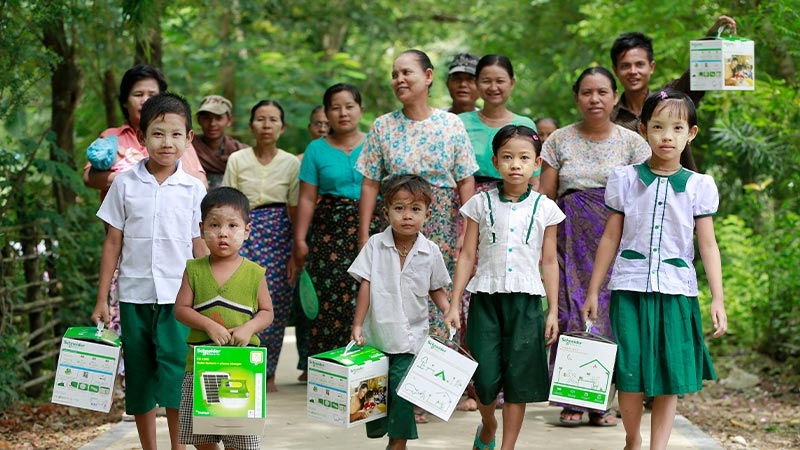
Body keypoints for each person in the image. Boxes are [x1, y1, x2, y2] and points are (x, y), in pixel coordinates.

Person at [582, 89, 728, 450]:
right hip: (629, 289)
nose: (667, 136)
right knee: (630, 375)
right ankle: (633, 439)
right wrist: (592, 291)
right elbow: (610, 238)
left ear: (691, 133)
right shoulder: (626, 179)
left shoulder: (699, 186)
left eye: (677, 128)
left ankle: (657, 448)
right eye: (658, 127)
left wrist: (718, 299)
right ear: (643, 130)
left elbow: (708, 245)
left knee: (670, 377)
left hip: (677, 290)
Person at [356, 49, 476, 423]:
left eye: (406, 72)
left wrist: (467, 229)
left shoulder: (451, 125)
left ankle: (430, 392)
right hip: (396, 221)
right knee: (391, 305)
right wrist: (364, 233)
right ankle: (392, 390)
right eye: (394, 74)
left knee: (441, 307)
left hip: (439, 222)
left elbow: (466, 179)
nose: (399, 80)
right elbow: (371, 182)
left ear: (427, 76)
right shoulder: (382, 126)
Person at [91, 92, 208, 450]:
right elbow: (113, 241)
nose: (166, 142)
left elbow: (199, 245)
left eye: (176, 134)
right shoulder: (124, 184)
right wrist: (101, 300)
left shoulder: (194, 189)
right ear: (142, 138)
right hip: (133, 295)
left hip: (179, 298)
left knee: (175, 373)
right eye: (157, 134)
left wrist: (211, 294)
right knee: (140, 375)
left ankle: (178, 446)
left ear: (189, 139)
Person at [539, 67, 650, 427]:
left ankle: (604, 402)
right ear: (577, 98)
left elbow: (644, 197)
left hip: (618, 240)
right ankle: (572, 399)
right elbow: (547, 199)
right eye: (587, 92)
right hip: (570, 241)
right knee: (573, 312)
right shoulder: (558, 140)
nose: (595, 99)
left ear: (615, 97)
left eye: (603, 92)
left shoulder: (633, 143)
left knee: (610, 315)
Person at [445, 125, 563, 450]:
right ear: (495, 161)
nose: (516, 164)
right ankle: (488, 423)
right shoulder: (479, 204)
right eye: (508, 157)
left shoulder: (545, 208)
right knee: (483, 379)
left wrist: (552, 310)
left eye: (524, 158)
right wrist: (454, 303)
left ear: (536, 163)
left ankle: (507, 446)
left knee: (518, 381)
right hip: (485, 299)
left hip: (527, 304)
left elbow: (549, 262)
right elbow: (467, 254)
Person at [456, 54, 538, 412]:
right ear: (476, 84)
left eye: (500, 80)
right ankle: (475, 384)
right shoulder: (459, 122)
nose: (492, 87)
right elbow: (462, 172)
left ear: (512, 83)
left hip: (518, 206)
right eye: (485, 80)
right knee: (472, 297)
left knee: (515, 290)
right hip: (473, 203)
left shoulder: (523, 123)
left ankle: (507, 385)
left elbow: (532, 172)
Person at [349, 174, 451, 450]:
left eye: (415, 209)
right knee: (375, 394)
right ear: (387, 211)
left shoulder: (430, 251)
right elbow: (366, 286)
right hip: (377, 337)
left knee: (403, 391)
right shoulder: (374, 245)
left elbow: (436, 288)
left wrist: (448, 310)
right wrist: (357, 324)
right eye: (400, 208)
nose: (408, 216)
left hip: (411, 339)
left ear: (427, 214)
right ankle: (386, 433)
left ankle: (398, 444)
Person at [174, 186, 274, 450]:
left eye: (232, 225)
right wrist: (207, 324)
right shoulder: (194, 269)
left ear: (247, 231)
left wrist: (248, 327)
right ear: (201, 227)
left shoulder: (255, 273)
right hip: (200, 365)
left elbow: (267, 312)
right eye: (214, 225)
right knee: (202, 437)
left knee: (241, 439)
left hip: (241, 369)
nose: (223, 233)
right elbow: (181, 309)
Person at [222, 99, 299, 393]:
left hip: (279, 233)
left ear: (282, 127)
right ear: (251, 125)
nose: (266, 125)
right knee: (239, 299)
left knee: (275, 302)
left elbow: (294, 208)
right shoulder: (237, 160)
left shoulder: (291, 162)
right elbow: (227, 202)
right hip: (242, 229)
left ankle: (268, 373)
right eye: (261, 119)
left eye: (273, 120)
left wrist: (295, 251)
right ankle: (240, 367)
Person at [291, 83, 367, 358]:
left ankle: (368, 367)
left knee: (368, 293)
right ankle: (329, 367)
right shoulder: (316, 149)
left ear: (361, 109)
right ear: (327, 112)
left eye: (349, 106)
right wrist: (300, 239)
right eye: (335, 108)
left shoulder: (374, 142)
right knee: (329, 298)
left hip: (370, 228)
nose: (343, 113)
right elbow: (308, 198)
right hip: (329, 232)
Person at [83, 64, 207, 197]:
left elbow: (201, 181)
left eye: (152, 95)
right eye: (138, 94)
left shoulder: (176, 136)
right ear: (125, 101)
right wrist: (137, 178)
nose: (145, 100)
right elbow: (89, 178)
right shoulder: (112, 137)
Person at [610, 16, 737, 131]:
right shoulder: (609, 119)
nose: (633, 72)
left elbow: (696, 76)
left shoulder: (668, 98)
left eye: (639, 64)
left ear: (651, 67)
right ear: (615, 70)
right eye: (625, 66)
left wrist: (712, 38)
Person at [192, 95, 248, 189]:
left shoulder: (241, 151)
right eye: (207, 118)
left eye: (218, 118)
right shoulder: (188, 148)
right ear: (199, 120)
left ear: (229, 120)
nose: (212, 124)